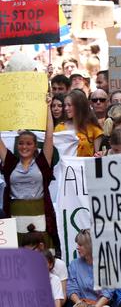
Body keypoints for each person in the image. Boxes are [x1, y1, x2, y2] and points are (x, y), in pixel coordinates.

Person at [1, 96, 60, 251]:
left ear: (35, 146)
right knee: (18, 255)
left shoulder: (42, 162)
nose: (24, 147)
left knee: (41, 253)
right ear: (16, 145)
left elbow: (49, 136)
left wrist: (47, 107)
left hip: (39, 212)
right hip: (15, 213)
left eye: (28, 143)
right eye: (20, 143)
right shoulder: (10, 163)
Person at [67, 229, 113, 306]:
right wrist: (79, 303)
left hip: (101, 305)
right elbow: (71, 289)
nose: (77, 247)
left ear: (90, 246)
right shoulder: (74, 264)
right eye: (77, 244)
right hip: (81, 304)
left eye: (80, 245)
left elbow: (107, 293)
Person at [55, 90, 103, 157]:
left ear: (79, 106)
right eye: (65, 105)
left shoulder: (94, 129)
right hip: (65, 166)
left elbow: (98, 155)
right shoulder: (59, 128)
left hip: (86, 166)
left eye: (69, 105)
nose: (66, 108)